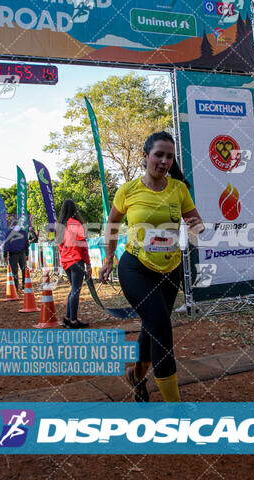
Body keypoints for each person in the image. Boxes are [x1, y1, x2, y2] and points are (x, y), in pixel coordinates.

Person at [99, 131, 204, 403]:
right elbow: (111, 225)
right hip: (136, 268)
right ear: (145, 157)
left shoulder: (179, 190)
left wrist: (197, 226)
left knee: (152, 326)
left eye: (169, 156)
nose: (164, 161)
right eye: (159, 155)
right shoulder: (128, 190)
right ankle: (175, 410)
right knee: (161, 327)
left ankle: (136, 376)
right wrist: (109, 258)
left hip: (170, 268)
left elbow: (195, 221)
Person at [56, 199, 91, 329]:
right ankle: (73, 321)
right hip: (76, 260)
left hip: (66, 262)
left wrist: (64, 260)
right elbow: (83, 246)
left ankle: (68, 318)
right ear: (74, 209)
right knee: (75, 290)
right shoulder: (76, 224)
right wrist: (88, 264)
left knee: (73, 290)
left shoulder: (61, 227)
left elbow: (60, 247)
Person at [3, 221, 29, 292]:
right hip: (22, 254)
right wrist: (27, 254)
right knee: (24, 270)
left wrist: (5, 255)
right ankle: (25, 285)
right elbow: (27, 244)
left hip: (12, 254)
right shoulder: (23, 232)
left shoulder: (8, 233)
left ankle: (15, 287)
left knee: (14, 271)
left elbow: (6, 245)